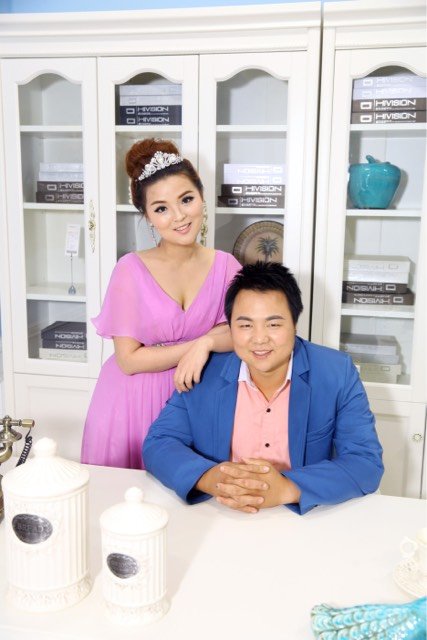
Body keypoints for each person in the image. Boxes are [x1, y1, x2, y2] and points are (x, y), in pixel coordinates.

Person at [143, 261, 384, 515]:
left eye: (273, 324)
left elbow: (365, 462)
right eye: (246, 325)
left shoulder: (336, 372)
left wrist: (288, 488)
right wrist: (211, 478)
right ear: (230, 328)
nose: (259, 339)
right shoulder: (204, 372)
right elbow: (159, 443)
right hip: (223, 512)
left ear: (295, 324)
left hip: (304, 518)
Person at [81, 138, 241, 469]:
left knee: (192, 492)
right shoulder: (130, 269)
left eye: (186, 199)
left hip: (196, 398)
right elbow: (129, 360)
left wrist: (209, 342)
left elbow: (240, 331)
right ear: (148, 216)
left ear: (201, 196)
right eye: (161, 208)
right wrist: (202, 344)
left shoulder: (226, 266)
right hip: (131, 402)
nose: (179, 216)